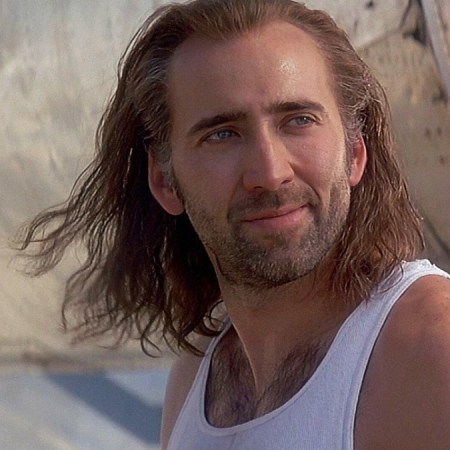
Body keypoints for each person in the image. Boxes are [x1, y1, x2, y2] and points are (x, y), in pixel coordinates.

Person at [16, 0, 450, 448]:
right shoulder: (196, 377)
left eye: (298, 121)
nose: (269, 173)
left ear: (355, 152)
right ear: (164, 181)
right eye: (222, 134)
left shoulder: (428, 344)